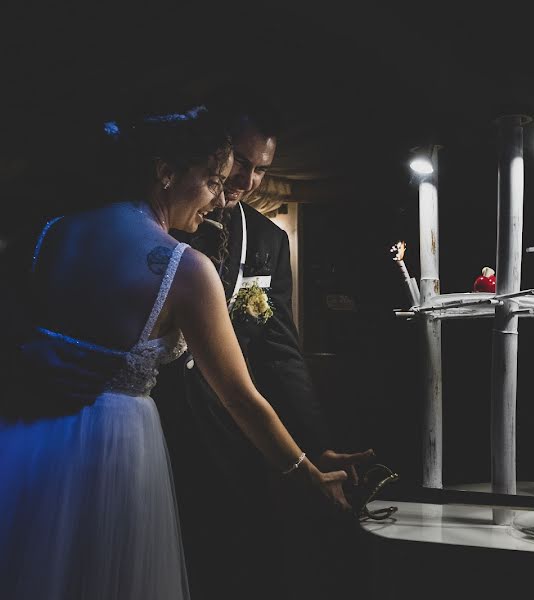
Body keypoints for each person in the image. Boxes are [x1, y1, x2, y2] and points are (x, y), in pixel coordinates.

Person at [0, 107, 352, 600]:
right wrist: (306, 474)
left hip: (29, 439)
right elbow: (240, 397)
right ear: (165, 173)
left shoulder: (49, 234)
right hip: (114, 451)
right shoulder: (184, 267)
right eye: (211, 180)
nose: (216, 198)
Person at [152, 96, 373, 599]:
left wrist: (315, 443)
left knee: (229, 559)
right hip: (153, 417)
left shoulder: (270, 241)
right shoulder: (164, 222)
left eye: (260, 169)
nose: (246, 181)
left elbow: (280, 352)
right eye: (241, 164)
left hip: (229, 432)